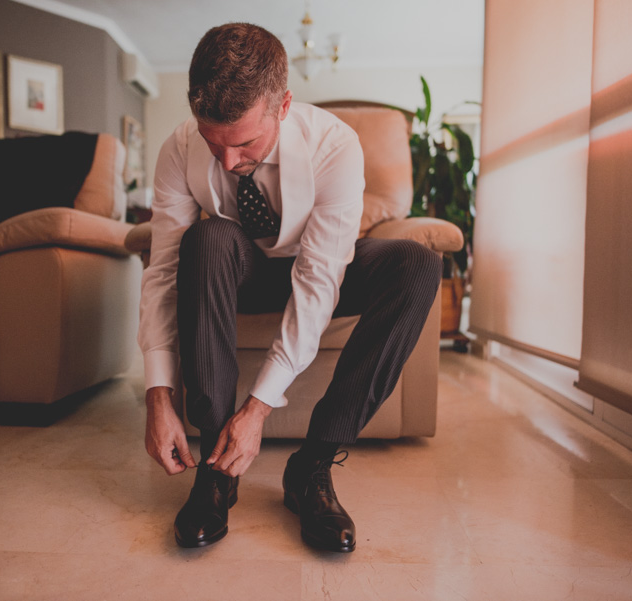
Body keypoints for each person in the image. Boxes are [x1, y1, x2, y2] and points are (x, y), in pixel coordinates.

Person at [139, 22, 442, 553]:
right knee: (205, 237)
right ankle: (215, 467)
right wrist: (158, 396)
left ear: (283, 107)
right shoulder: (179, 147)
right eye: (215, 145)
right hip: (244, 272)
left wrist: (258, 407)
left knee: (418, 264)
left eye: (245, 143)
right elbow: (163, 269)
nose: (229, 164)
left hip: (321, 266)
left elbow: (319, 279)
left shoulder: (335, 146)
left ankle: (312, 466)